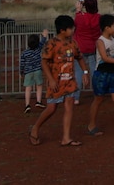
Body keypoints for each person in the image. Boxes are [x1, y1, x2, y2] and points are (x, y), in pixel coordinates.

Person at [29, 15, 89, 147]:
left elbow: (79, 57)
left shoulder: (73, 43)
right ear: (62, 30)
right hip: (56, 82)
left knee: (69, 106)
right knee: (51, 108)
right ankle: (35, 127)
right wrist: (50, 79)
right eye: (71, 28)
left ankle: (66, 137)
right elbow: (44, 62)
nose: (73, 30)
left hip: (70, 82)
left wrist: (85, 72)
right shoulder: (51, 44)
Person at [73, 0, 101, 104]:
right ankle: (97, 93)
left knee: (79, 72)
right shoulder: (99, 18)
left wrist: (78, 10)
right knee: (94, 70)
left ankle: (76, 97)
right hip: (93, 47)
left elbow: (75, 25)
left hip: (80, 48)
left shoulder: (80, 17)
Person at [19, 29, 49, 113]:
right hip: (38, 70)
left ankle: (27, 105)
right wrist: (44, 35)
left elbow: (22, 63)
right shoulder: (38, 49)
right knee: (39, 86)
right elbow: (42, 42)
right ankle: (38, 101)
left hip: (28, 72)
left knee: (28, 88)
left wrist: (21, 72)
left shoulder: (25, 53)